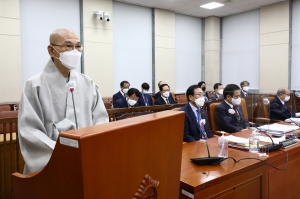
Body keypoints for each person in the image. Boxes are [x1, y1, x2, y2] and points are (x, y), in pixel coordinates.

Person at [18, 28, 109, 174]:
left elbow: (100, 119)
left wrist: (91, 147)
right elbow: (30, 131)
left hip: (88, 159)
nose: (74, 51)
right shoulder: (35, 85)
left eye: (78, 46)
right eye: (68, 46)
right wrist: (64, 156)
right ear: (52, 51)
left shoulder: (87, 82)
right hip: (54, 166)